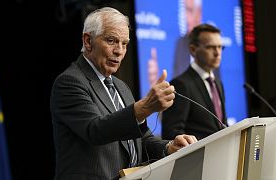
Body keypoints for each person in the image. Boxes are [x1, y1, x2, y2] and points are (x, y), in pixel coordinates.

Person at [50, 7, 197, 180]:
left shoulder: (120, 86)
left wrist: (169, 147)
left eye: (124, 44)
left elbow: (141, 138)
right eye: (111, 41)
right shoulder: (70, 82)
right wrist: (144, 107)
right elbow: (95, 130)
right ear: (88, 41)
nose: (119, 51)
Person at [162, 24, 228, 140]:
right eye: (210, 47)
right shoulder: (181, 84)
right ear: (193, 50)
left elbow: (221, 126)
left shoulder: (218, 83)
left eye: (220, 47)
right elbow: (171, 133)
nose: (217, 53)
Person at [173, 0, 202, 77]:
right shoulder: (180, 44)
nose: (186, 17)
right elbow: (174, 82)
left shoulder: (210, 44)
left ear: (199, 13)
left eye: (190, 10)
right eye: (185, 10)